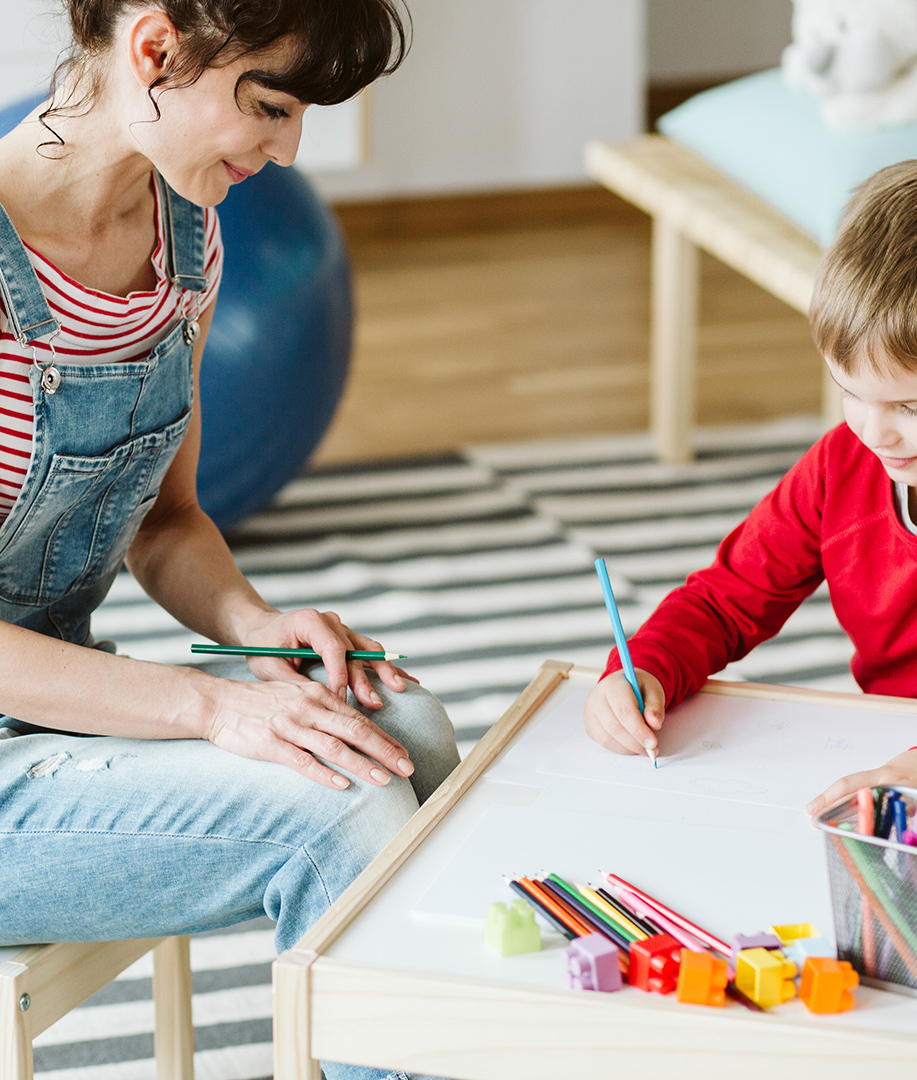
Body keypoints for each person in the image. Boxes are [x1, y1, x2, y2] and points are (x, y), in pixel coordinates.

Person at [0, 2, 459, 1078]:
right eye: (270, 105)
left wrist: (257, 630)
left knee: (409, 734)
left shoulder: (186, 244)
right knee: (329, 813)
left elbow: (167, 522)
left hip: (45, 722)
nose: (288, 150)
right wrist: (214, 705)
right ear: (154, 50)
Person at [584, 151, 917, 814]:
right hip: (903, 758)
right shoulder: (844, 461)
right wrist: (645, 667)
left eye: (915, 409)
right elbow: (728, 599)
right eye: (851, 392)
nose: (875, 433)